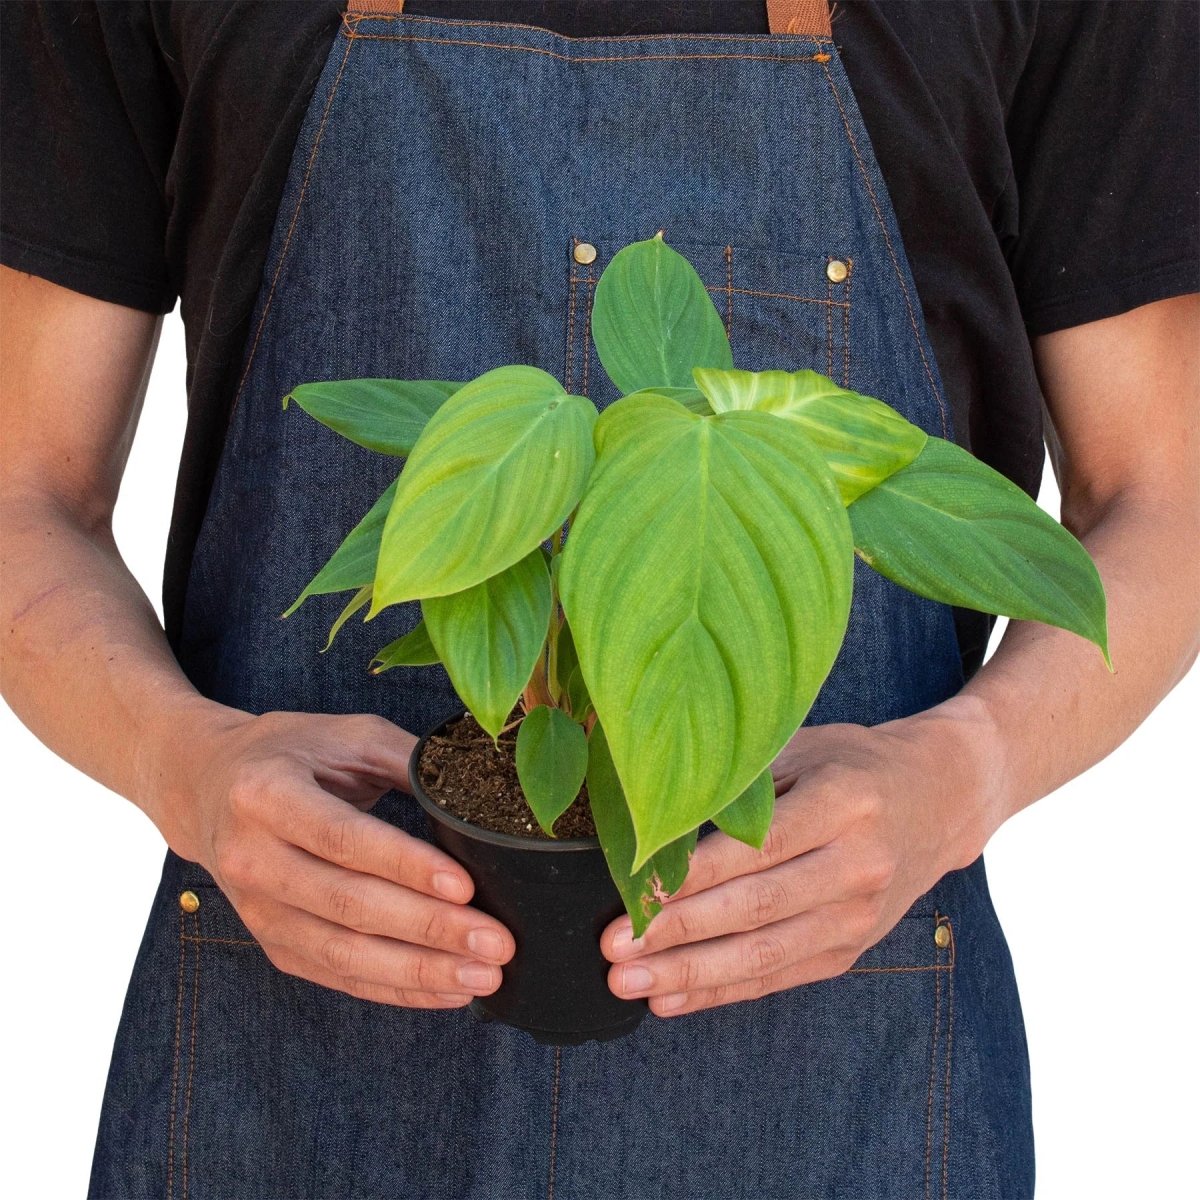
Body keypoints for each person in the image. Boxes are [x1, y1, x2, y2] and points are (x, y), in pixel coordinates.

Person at [1, 1, 1196, 1197]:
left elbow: (1165, 496)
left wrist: (967, 771)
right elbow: (25, 491)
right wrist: (182, 767)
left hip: (842, 1077)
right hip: (291, 1064)